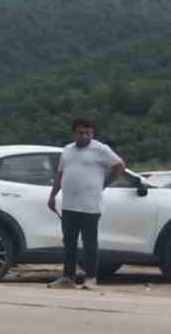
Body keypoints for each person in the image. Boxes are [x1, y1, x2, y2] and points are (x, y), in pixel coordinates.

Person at [48, 118, 126, 290]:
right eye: (80, 133)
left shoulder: (100, 149)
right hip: (69, 204)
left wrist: (105, 182)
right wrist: (53, 195)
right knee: (69, 242)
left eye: (88, 133)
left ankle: (91, 278)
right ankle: (67, 277)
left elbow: (120, 165)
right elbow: (60, 174)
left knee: (89, 242)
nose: (84, 136)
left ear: (93, 133)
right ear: (74, 133)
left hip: (90, 205)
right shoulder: (67, 150)